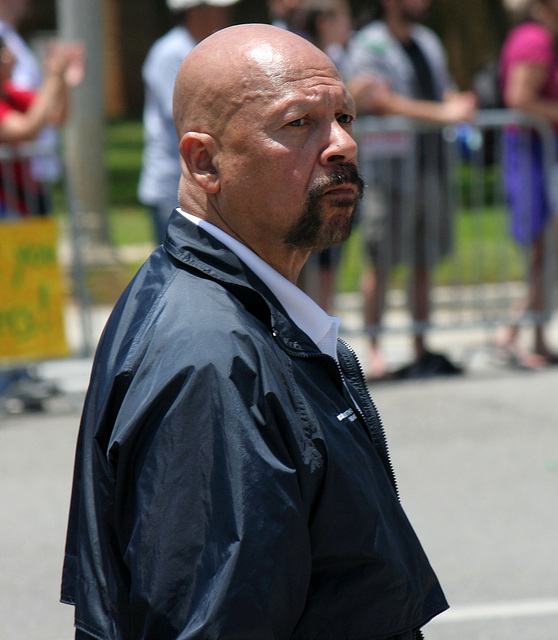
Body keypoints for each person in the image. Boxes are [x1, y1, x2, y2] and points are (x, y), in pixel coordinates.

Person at [61, 24, 448, 640]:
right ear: (204, 161)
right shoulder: (212, 363)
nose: (342, 144)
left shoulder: (234, 310)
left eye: (344, 116)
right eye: (298, 124)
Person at [347, 0, 477, 380]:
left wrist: (458, 101)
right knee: (382, 261)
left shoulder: (428, 41)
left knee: (424, 260)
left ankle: (421, 347)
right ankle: (373, 351)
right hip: (391, 173)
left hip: (432, 167)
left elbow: (444, 91)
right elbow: (378, 101)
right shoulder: (370, 44)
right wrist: (443, 114)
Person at [495, 0, 558, 368]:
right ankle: (511, 332)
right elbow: (520, 99)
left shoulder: (540, 37)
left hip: (541, 155)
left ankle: (533, 334)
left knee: (548, 251)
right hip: (532, 155)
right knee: (546, 247)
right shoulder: (534, 38)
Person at [137, 0, 239, 244]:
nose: (226, 14)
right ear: (194, 11)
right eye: (218, 8)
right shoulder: (170, 53)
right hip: (171, 187)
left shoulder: (200, 50)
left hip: (195, 184)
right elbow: (185, 116)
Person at [295, 0, 355, 312]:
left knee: (329, 257)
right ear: (323, 22)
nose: (350, 25)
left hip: (334, 179)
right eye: (343, 18)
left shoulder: (341, 57)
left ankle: (320, 329)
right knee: (300, 265)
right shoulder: (296, 61)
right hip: (305, 181)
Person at [0, 37, 77, 217]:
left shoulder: (12, 93)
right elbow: (27, 130)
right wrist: (52, 77)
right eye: (4, 51)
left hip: (24, 199)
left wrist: (61, 78)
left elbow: (58, 116)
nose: (12, 58)